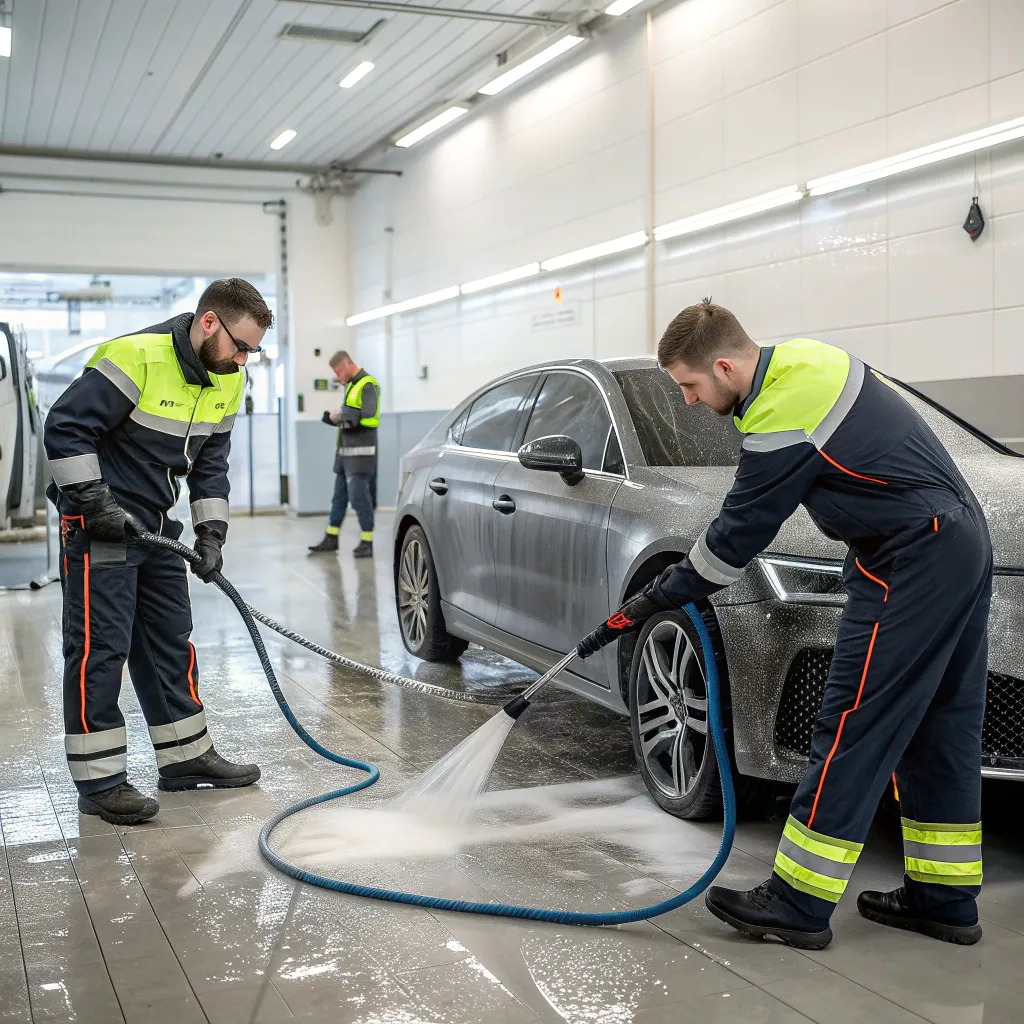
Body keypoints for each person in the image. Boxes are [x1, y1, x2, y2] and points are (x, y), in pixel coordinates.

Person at [576, 300, 991, 949]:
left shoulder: (779, 416)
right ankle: (944, 899)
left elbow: (733, 541)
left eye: (689, 385)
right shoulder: (809, 360)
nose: (687, 400)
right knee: (940, 724)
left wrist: (651, 600)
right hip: (959, 542)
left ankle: (798, 902)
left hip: (911, 556)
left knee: (853, 722)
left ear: (721, 365)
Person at [43, 279, 274, 826]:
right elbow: (66, 427)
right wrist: (95, 502)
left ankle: (184, 757)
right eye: (239, 345)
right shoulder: (135, 356)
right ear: (210, 322)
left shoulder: (226, 379)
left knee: (170, 637)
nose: (243, 360)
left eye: (252, 352)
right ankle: (99, 781)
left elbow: (210, 464)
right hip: (99, 523)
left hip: (155, 524)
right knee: (103, 648)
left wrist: (211, 533)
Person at [308, 351, 380, 558]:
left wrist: (339, 417)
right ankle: (331, 538)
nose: (338, 376)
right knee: (338, 498)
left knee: (359, 499)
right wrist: (335, 418)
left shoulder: (368, 383)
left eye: (339, 371)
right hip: (345, 456)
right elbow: (350, 418)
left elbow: (370, 418)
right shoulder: (351, 385)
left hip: (360, 457)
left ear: (348, 363)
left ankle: (367, 541)